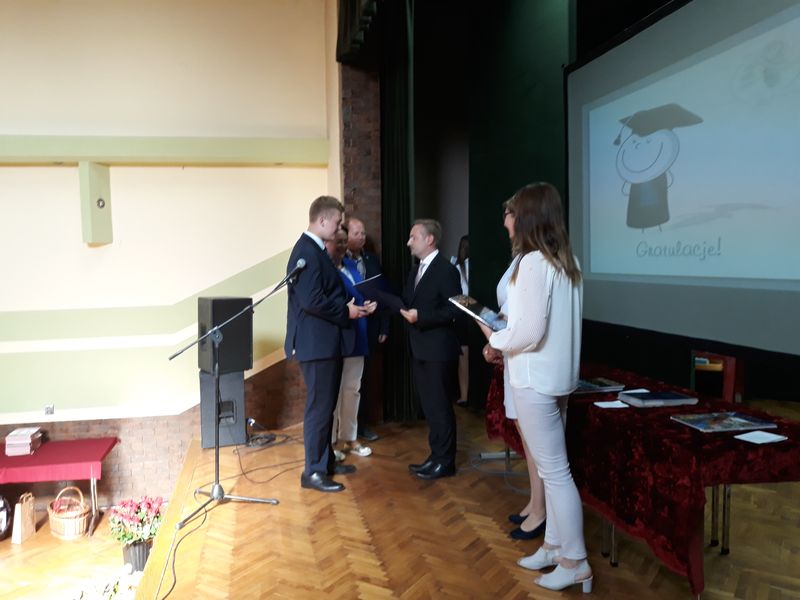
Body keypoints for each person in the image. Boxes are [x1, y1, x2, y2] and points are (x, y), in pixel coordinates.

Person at [478, 183, 591, 592]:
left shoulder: (532, 262)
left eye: (513, 214)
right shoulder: (567, 260)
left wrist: (493, 338)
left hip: (534, 379)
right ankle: (554, 546)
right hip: (558, 379)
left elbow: (527, 332)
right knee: (552, 470)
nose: (507, 223)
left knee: (556, 474)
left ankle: (575, 562)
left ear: (527, 218)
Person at [284, 196, 375, 493]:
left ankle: (326, 463)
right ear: (322, 220)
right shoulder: (306, 251)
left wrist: (352, 306)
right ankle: (313, 471)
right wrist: (346, 312)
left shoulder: (315, 250)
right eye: (337, 223)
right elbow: (311, 301)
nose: (338, 230)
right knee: (319, 409)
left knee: (325, 407)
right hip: (316, 344)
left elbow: (325, 293)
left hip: (324, 343)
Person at [483, 255, 547, 541]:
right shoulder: (519, 258)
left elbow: (526, 323)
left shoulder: (537, 260)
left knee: (535, 439)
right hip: (513, 355)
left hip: (526, 357)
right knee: (524, 433)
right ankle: (535, 502)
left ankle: (541, 510)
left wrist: (495, 340)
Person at [400, 219, 462, 480]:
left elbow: (455, 310)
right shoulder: (416, 270)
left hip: (439, 350)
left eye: (413, 237)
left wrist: (421, 317)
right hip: (420, 348)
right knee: (429, 406)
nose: (408, 243)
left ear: (429, 240)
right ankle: (436, 456)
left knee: (440, 407)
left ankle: (445, 462)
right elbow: (408, 301)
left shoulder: (446, 270)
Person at [325, 228, 373, 459]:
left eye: (345, 241)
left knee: (353, 390)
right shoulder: (325, 268)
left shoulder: (351, 265)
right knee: (334, 392)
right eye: (339, 241)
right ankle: (332, 442)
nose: (343, 246)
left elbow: (361, 294)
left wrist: (370, 304)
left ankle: (350, 437)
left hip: (359, 333)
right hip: (338, 336)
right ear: (328, 242)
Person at [346, 217, 389, 443]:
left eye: (363, 233)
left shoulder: (372, 260)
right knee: (348, 383)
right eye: (357, 233)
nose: (362, 237)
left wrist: (384, 325)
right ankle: (346, 429)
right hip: (348, 326)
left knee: (366, 379)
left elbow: (382, 292)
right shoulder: (339, 261)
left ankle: (362, 425)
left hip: (371, 327)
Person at [450, 234, 470, 407]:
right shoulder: (477, 267)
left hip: (462, 316)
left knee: (463, 358)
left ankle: (464, 395)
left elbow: (458, 296)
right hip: (477, 315)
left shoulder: (456, 268)